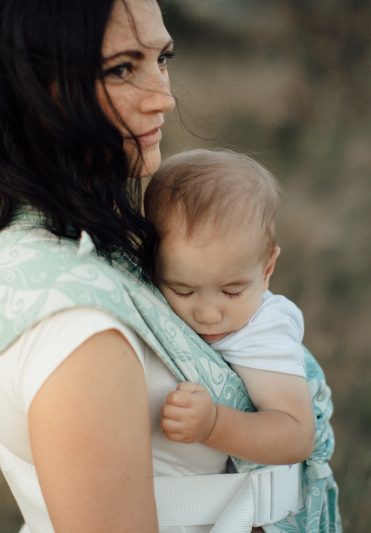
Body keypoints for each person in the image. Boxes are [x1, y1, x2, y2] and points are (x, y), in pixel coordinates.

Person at [0, 0, 339, 531]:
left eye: (162, 58)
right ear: (29, 84)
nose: (165, 98)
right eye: (122, 68)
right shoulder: (81, 335)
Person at [145, 149, 341, 531]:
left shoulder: (264, 330)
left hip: (277, 512)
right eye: (182, 290)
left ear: (267, 270)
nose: (208, 313)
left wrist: (213, 424)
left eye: (232, 291)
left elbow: (296, 434)